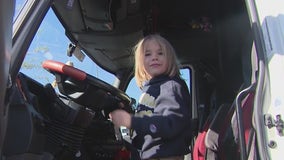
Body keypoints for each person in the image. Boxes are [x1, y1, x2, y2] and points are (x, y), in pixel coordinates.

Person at [109, 34, 192, 160]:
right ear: (141, 62)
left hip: (165, 155)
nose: (154, 57)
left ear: (169, 58)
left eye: (160, 53)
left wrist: (131, 121)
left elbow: (170, 124)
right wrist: (128, 112)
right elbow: (149, 117)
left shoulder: (170, 87)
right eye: (148, 54)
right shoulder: (152, 89)